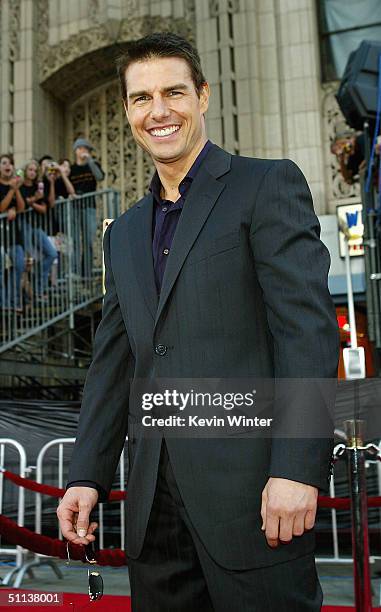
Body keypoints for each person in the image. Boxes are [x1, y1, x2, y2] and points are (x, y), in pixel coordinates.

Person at [57, 33, 339, 611]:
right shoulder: (127, 231)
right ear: (129, 111)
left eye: (173, 93)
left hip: (256, 502)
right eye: (141, 99)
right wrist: (86, 474)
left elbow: (306, 335)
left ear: (203, 96)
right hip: (153, 514)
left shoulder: (266, 186)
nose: (158, 112)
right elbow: (115, 365)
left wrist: (296, 468)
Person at [20, 160, 57, 299]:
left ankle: (38, 287)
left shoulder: (38, 186)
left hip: (36, 226)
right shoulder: (20, 186)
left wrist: (32, 201)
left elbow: (44, 208)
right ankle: (34, 293)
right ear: (25, 171)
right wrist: (34, 200)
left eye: (35, 170)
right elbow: (21, 206)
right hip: (24, 225)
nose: (32, 172)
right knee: (30, 259)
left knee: (52, 253)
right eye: (30, 169)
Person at [69, 138, 105, 276]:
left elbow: (100, 176)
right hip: (74, 208)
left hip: (89, 207)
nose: (85, 152)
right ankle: (76, 272)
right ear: (77, 150)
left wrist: (90, 161)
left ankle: (87, 272)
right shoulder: (72, 169)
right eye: (82, 149)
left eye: (87, 149)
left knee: (88, 240)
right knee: (75, 241)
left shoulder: (93, 164)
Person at [0, 153, 25, 312]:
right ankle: (3, 303)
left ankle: (12, 300)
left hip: (14, 235)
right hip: (1, 236)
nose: (7, 165)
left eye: (10, 163)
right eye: (3, 163)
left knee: (19, 265)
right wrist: (11, 190)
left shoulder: (15, 185)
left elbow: (22, 207)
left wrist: (16, 190)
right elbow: (1, 208)